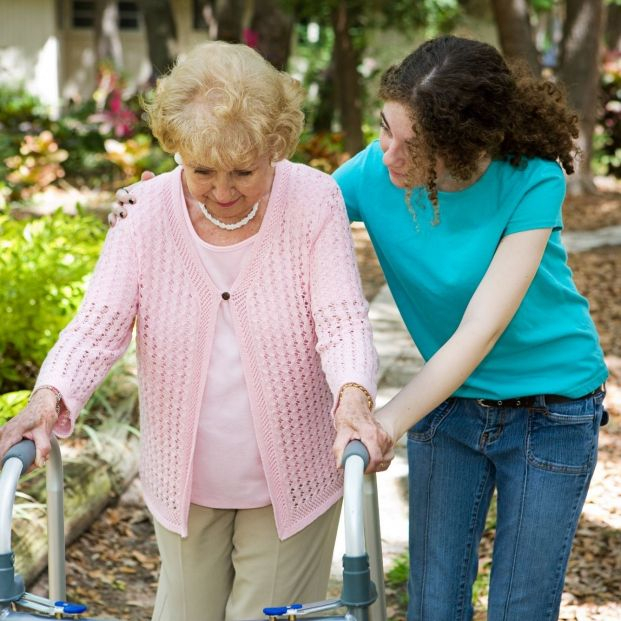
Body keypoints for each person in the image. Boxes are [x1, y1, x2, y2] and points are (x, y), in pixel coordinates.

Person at [109, 35, 609, 620]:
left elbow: (479, 332)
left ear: (464, 145)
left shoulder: (532, 179)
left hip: (551, 409)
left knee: (519, 607)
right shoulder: (375, 172)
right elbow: (280, 203)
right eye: (383, 128)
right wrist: (163, 202)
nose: (388, 154)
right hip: (450, 407)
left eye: (412, 145)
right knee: (433, 603)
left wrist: (381, 421)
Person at [0, 41, 393, 621]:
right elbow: (97, 326)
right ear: (175, 148)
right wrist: (47, 396)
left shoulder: (314, 200)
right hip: (183, 482)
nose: (224, 190)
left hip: (294, 475)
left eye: (244, 170)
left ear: (276, 147)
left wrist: (354, 398)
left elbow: (340, 319)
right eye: (202, 169)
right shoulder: (145, 213)